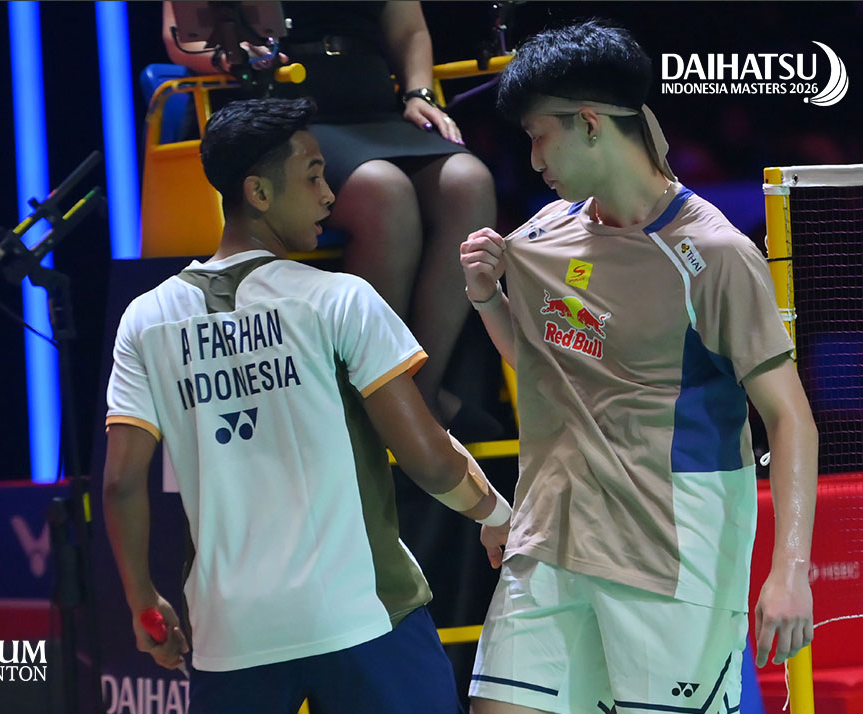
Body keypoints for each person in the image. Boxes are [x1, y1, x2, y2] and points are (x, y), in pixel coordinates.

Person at [103, 97, 511, 713]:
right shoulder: (338, 300)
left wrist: (143, 601)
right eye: (314, 177)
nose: (328, 196)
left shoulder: (146, 320)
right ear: (259, 193)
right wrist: (497, 515)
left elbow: (120, 483)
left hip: (230, 635)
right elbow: (426, 456)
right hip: (360, 616)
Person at [458, 20, 818, 714]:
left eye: (539, 135)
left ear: (590, 123)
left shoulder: (711, 255)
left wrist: (790, 571)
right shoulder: (543, 234)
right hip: (550, 542)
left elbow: (788, 416)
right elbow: (544, 366)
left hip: (669, 556)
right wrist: (485, 299)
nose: (532, 159)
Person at [162, 1, 501, 438]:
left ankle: (418, 392)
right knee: (384, 191)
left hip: (373, 103)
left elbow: (410, 32)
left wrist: (419, 93)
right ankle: (368, 393)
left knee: (469, 182)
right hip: (281, 106)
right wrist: (231, 55)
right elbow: (180, 37)